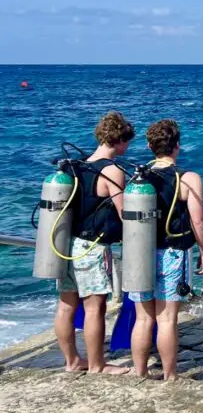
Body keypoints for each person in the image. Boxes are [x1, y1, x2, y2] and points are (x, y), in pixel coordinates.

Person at [54, 111, 135, 375]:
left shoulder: (76, 166)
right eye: (127, 142)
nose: (127, 147)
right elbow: (126, 214)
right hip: (92, 247)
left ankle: (72, 361)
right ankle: (98, 364)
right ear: (120, 140)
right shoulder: (112, 171)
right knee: (95, 307)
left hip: (66, 244)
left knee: (67, 305)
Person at [128, 119, 203, 380]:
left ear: (151, 146)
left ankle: (140, 371)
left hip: (139, 253)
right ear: (176, 146)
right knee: (166, 320)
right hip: (173, 253)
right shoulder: (188, 178)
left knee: (143, 319)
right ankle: (170, 374)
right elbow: (198, 220)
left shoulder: (138, 177)